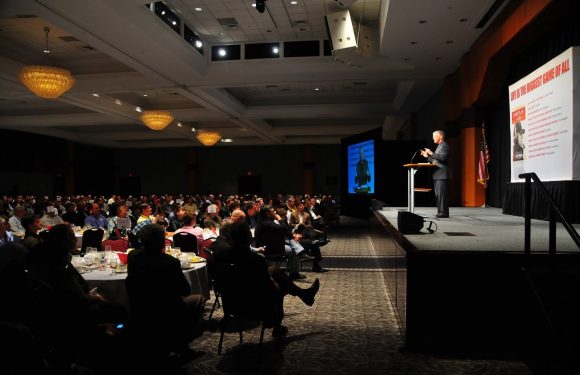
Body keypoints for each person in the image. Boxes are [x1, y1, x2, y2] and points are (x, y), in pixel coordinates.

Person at [214, 220, 320, 338]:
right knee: (281, 285)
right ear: (248, 237)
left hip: (232, 303)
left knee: (274, 270)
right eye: (249, 232)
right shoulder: (256, 260)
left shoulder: (224, 255)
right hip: (254, 304)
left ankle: (304, 295)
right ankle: (278, 323)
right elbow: (267, 287)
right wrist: (275, 283)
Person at [127, 224, 206, 359]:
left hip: (141, 306)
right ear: (162, 241)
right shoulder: (170, 262)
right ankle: (183, 343)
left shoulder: (133, 256)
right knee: (199, 298)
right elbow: (185, 291)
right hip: (167, 309)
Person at [421, 130, 450, 218]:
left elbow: (443, 158)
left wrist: (431, 153)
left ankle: (444, 213)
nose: (433, 138)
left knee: (442, 195)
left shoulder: (444, 145)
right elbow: (436, 161)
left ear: (440, 137)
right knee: (438, 195)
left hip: (442, 174)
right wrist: (427, 157)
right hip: (438, 174)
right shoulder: (439, 146)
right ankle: (440, 211)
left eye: (434, 136)